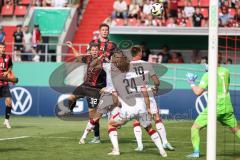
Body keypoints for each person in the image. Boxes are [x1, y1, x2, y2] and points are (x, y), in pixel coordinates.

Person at [186, 56, 240, 158]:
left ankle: (196, 152)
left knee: (195, 128)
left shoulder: (208, 75)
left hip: (215, 107)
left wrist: (192, 83)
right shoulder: (226, 71)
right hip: (227, 105)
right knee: (236, 129)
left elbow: (197, 92)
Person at [129, 46, 174, 151]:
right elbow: (156, 81)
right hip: (147, 93)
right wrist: (156, 87)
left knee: (137, 120)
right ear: (140, 53)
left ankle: (140, 145)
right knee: (157, 118)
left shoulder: (127, 66)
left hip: (134, 95)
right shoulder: (146, 64)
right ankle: (165, 142)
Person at [64, 41, 107, 144]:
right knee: (71, 97)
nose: (94, 52)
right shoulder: (88, 58)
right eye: (92, 50)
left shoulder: (104, 62)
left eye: (96, 50)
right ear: (90, 51)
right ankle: (70, 110)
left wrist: (106, 87)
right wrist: (72, 46)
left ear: (99, 51)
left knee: (92, 115)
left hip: (95, 89)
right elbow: (78, 57)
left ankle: (96, 137)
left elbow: (110, 75)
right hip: (85, 86)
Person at [0, 42, 18, 129]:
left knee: (9, 101)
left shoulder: (8, 57)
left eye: (4, 47)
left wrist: (7, 72)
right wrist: (11, 79)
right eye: (1, 47)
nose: (3, 49)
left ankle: (7, 120)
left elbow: (10, 65)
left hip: (5, 84)